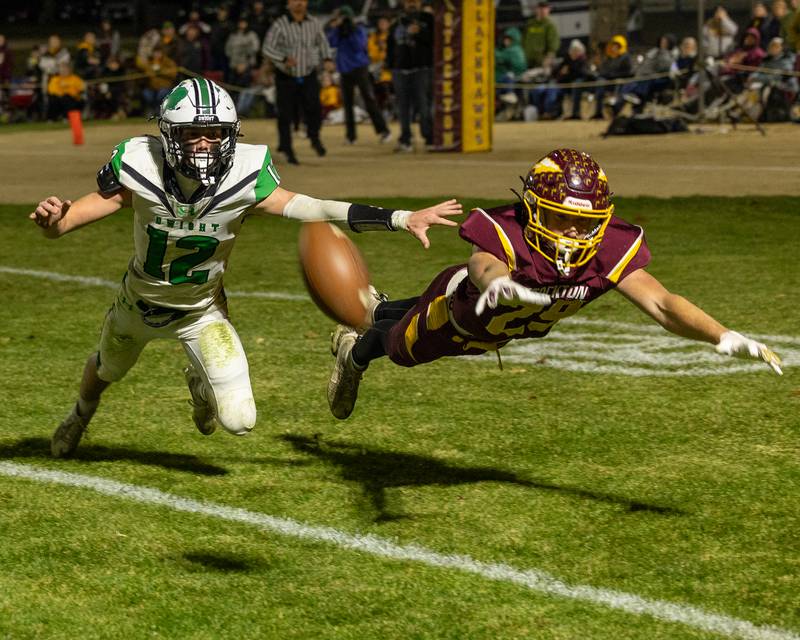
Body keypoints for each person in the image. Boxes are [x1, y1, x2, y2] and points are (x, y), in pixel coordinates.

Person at [29, 78, 461, 458]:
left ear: (230, 135)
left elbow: (315, 207)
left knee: (240, 420)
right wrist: (53, 221)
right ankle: (79, 417)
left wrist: (400, 218)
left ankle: (198, 379)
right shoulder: (139, 164)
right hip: (138, 303)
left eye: (214, 133)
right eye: (192, 133)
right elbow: (64, 224)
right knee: (105, 372)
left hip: (201, 312)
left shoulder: (245, 175)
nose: (204, 143)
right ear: (168, 134)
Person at [325, 148, 782, 420]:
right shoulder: (506, 229)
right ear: (532, 208)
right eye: (561, 218)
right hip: (460, 315)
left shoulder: (608, 248)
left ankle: (379, 307)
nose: (573, 234)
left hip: (504, 326)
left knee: (402, 315)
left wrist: (722, 335)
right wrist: (498, 282)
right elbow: (483, 264)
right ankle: (354, 351)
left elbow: (662, 304)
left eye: (584, 223)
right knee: (400, 349)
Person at [262, 0, 333, 165]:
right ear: (288, 4)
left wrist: (327, 58)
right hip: (286, 76)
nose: (299, 3)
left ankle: (314, 138)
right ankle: (287, 148)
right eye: (295, 0)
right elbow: (267, 48)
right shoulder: (280, 24)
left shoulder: (314, 23)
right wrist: (283, 58)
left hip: (308, 73)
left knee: (315, 108)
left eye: (302, 0)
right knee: (285, 114)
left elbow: (322, 42)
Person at [327, 5, 392, 145]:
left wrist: (350, 31)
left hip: (360, 68)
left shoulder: (358, 29)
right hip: (344, 69)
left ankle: (383, 131)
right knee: (348, 104)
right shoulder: (338, 30)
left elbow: (359, 46)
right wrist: (337, 28)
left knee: (369, 99)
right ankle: (351, 136)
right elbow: (330, 42)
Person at [386, 0, 435, 152]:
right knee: (403, 108)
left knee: (424, 105)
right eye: (408, 1)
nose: (411, 3)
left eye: (414, 1)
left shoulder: (429, 19)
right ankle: (405, 139)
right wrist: (391, 65)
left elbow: (436, 40)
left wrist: (419, 32)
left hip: (422, 69)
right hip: (400, 70)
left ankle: (429, 139)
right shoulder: (397, 22)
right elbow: (390, 45)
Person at [522, 1, 560, 70]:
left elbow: (553, 46)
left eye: (545, 8)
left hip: (541, 62)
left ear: (549, 10)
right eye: (541, 8)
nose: (543, 11)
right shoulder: (530, 24)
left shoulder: (550, 26)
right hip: (528, 61)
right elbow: (523, 40)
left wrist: (548, 59)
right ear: (537, 9)